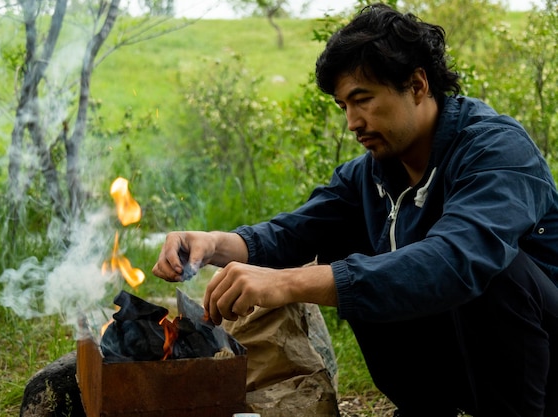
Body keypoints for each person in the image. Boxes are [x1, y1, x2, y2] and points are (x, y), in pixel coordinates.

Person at [152, 4, 558, 416]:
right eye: (343, 106)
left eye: (361, 100)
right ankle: (425, 407)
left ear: (417, 85)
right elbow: (294, 232)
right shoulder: (372, 173)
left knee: (493, 269)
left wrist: (291, 283)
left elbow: (456, 259)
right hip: (464, 368)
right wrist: (212, 244)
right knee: (343, 244)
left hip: (544, 373)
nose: (351, 122)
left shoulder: (496, 150)